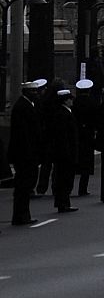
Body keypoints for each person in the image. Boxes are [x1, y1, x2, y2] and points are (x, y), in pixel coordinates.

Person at [9, 79, 44, 224]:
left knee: (26, 185)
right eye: (32, 91)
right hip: (24, 154)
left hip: (29, 153)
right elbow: (23, 134)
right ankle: (20, 216)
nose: (35, 94)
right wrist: (31, 153)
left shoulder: (30, 105)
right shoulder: (22, 107)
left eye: (36, 91)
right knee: (23, 185)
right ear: (26, 92)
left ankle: (24, 215)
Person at [47, 85, 80, 213]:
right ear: (65, 100)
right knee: (64, 179)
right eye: (70, 99)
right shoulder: (63, 114)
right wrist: (68, 154)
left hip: (65, 153)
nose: (72, 101)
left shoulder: (64, 113)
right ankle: (63, 203)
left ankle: (64, 202)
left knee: (65, 179)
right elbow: (63, 137)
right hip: (65, 154)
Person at [73, 78, 98, 197]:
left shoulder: (75, 102)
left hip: (77, 135)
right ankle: (83, 188)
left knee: (76, 161)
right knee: (86, 163)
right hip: (88, 135)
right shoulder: (92, 102)